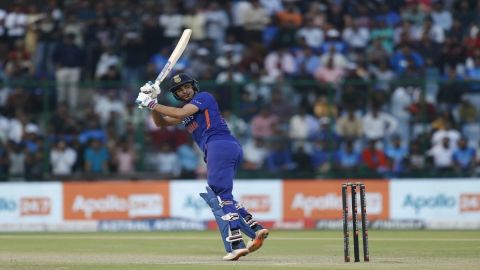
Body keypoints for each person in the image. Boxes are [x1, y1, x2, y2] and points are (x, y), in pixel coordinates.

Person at [135, 73, 269, 261]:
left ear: (194, 86)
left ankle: (237, 244)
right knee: (221, 194)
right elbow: (161, 123)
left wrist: (149, 103)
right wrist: (154, 100)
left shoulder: (203, 97)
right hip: (226, 148)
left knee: (220, 192)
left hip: (219, 145)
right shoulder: (188, 112)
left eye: (186, 87)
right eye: (179, 90)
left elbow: (179, 113)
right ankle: (255, 227)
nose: (184, 91)